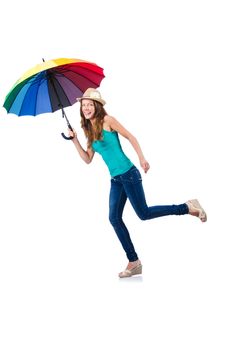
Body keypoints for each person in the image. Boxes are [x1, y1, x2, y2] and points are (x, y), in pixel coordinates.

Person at [69, 88, 207, 278]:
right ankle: (134, 262)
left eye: (89, 105)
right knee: (114, 219)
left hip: (129, 174)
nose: (86, 108)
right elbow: (87, 159)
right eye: (83, 105)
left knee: (144, 213)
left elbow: (130, 137)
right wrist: (74, 140)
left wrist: (142, 159)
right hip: (116, 180)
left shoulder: (108, 121)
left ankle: (187, 206)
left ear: (97, 106)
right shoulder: (89, 131)